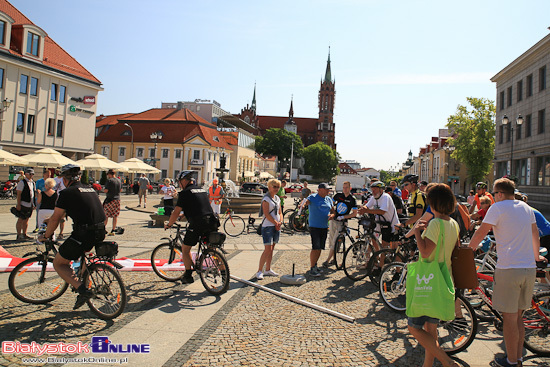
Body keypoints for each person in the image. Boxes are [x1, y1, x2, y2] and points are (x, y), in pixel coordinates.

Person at [468, 178, 544, 367]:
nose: (493, 197)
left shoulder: (498, 208)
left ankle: (511, 362)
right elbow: (535, 234)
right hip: (528, 268)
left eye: (494, 194)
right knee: (518, 317)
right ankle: (516, 358)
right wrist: (537, 256)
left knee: (509, 319)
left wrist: (467, 251)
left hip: (510, 268)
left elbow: (481, 233)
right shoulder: (526, 208)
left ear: (500, 193)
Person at [408, 183, 461, 367]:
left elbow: (424, 252)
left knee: (413, 327)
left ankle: (447, 361)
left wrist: (416, 232)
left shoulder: (435, 224)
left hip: (428, 281)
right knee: (431, 329)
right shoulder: (453, 224)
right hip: (444, 278)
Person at [40, 164, 106, 310]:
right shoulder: (91, 189)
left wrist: (46, 235)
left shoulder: (67, 193)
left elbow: (56, 218)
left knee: (59, 263)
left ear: (64, 179)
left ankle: (82, 290)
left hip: (83, 233)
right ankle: (85, 279)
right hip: (100, 231)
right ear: (80, 177)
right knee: (84, 258)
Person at [164, 171, 220, 284]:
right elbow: (199, 205)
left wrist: (169, 224)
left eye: (180, 182)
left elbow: (175, 212)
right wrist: (184, 214)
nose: (180, 185)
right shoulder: (201, 190)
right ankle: (224, 275)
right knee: (213, 250)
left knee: (185, 249)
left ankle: (188, 275)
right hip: (212, 221)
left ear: (184, 181)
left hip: (198, 223)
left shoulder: (184, 193)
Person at [300, 183, 333, 277]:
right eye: (326, 189)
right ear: (320, 189)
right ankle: (312, 267)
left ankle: (315, 265)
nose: (328, 191)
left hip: (324, 226)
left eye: (328, 190)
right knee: (315, 247)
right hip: (315, 226)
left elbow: (333, 211)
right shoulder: (313, 197)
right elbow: (305, 202)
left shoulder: (328, 199)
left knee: (320, 247)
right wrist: (302, 205)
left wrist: (332, 215)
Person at [323, 181, 357, 267]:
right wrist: (332, 212)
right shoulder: (338, 195)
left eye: (346, 187)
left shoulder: (352, 199)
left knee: (335, 241)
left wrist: (344, 217)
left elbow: (354, 213)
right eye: (343, 187)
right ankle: (334, 259)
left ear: (350, 188)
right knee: (331, 240)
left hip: (342, 222)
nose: (345, 189)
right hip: (334, 220)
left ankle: (327, 260)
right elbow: (330, 204)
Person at [358, 181, 399, 250]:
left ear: (381, 190)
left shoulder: (385, 197)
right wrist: (362, 209)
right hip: (380, 223)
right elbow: (367, 206)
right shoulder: (374, 197)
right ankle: (376, 258)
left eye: (375, 189)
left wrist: (367, 211)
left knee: (388, 247)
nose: (373, 191)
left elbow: (382, 211)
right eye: (372, 189)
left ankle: (387, 259)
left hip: (391, 224)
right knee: (374, 240)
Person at [256, 179, 283, 280]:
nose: (276, 189)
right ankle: (259, 270)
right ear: (269, 187)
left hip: (276, 226)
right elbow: (266, 214)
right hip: (268, 226)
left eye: (277, 187)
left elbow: (280, 212)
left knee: (272, 249)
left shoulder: (277, 198)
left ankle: (268, 269)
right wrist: (276, 223)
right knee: (267, 249)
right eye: (274, 186)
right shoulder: (266, 199)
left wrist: (280, 222)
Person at [15, 168, 36, 241]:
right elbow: (19, 194)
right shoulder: (22, 182)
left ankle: (24, 234)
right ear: (26, 174)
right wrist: (18, 204)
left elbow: (33, 193)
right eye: (30, 174)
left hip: (30, 204)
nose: (31, 175)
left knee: (26, 219)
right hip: (23, 203)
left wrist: (34, 203)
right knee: (21, 219)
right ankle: (18, 234)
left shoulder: (32, 182)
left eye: (32, 174)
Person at [103, 169, 122, 236]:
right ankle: (113, 230)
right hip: (117, 199)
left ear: (109, 174)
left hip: (110, 199)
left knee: (106, 215)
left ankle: (103, 229)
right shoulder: (119, 180)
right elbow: (120, 190)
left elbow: (106, 190)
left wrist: (104, 190)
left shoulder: (109, 181)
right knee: (115, 216)